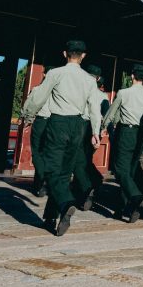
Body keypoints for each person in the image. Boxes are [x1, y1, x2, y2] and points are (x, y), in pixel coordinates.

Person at [23, 40, 103, 236]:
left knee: (51, 169)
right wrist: (95, 131)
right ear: (83, 56)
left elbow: (39, 96)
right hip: (78, 126)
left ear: (64, 53)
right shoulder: (89, 80)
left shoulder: (55, 73)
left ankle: (66, 203)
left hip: (58, 123)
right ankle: (52, 217)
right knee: (64, 174)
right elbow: (94, 108)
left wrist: (28, 115)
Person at [101, 64, 143, 223]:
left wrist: (103, 127)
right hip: (141, 134)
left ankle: (136, 197)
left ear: (132, 76)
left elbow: (111, 113)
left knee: (120, 169)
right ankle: (123, 208)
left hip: (126, 132)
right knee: (129, 171)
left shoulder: (123, 93)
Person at [72, 64, 107, 211]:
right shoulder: (103, 96)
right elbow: (105, 114)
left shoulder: (80, 88)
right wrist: (101, 130)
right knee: (86, 159)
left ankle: (86, 187)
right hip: (95, 129)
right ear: (98, 78)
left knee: (76, 160)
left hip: (80, 125)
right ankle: (94, 181)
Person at [21, 68, 52, 196]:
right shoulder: (59, 92)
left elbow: (29, 105)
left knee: (37, 153)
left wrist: (26, 118)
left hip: (41, 122)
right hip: (56, 123)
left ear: (44, 74)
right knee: (49, 154)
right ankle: (44, 184)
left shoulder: (37, 89)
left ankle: (41, 180)